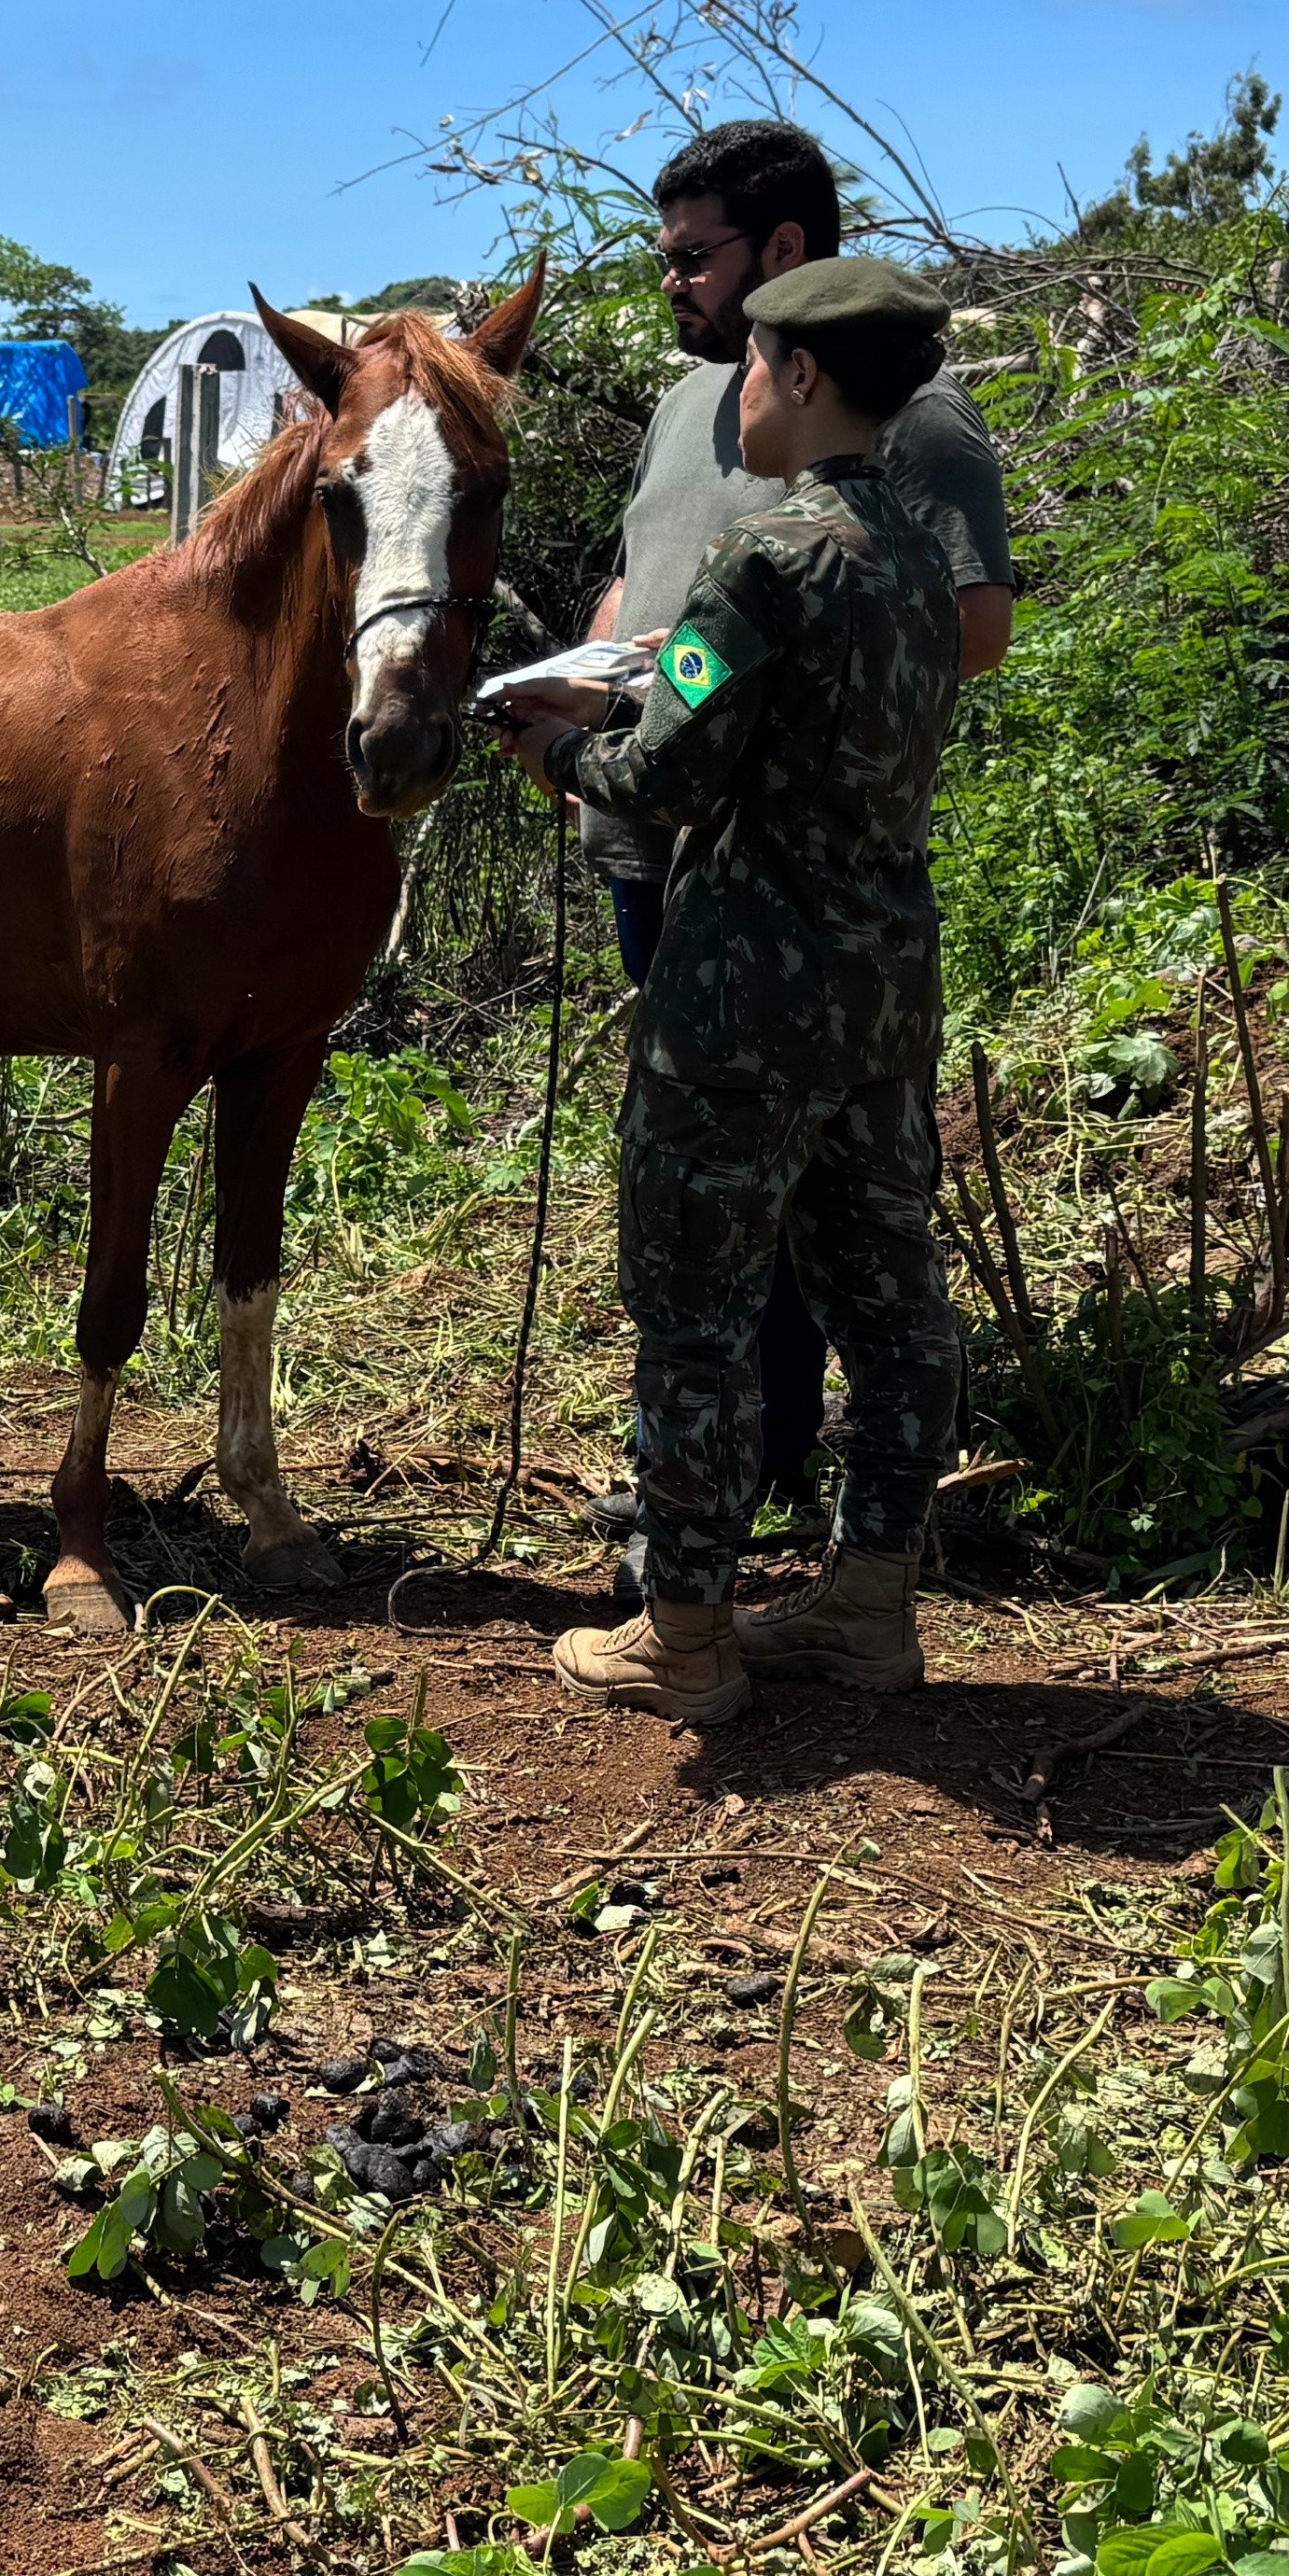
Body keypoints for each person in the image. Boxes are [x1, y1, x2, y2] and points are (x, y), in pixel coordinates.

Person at [485, 254, 974, 1717]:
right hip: (880, 984)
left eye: (753, 364)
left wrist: (556, 740)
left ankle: (685, 1631)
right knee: (890, 1305)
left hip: (743, 1001)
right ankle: (871, 1602)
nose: (738, 390)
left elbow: (667, 774)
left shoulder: (769, 556)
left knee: (695, 1302)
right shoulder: (917, 565)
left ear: (803, 375)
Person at [564, 120, 1016, 1556]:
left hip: (748, 922)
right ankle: (858, 1579)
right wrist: (623, 669)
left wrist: (577, 750)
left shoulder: (813, 521)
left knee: (707, 1258)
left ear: (795, 320)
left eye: (697, 260)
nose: (678, 291)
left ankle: (695, 1591)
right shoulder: (780, 473)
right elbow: (652, 595)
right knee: (877, 1269)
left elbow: (699, 735)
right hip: (844, 928)